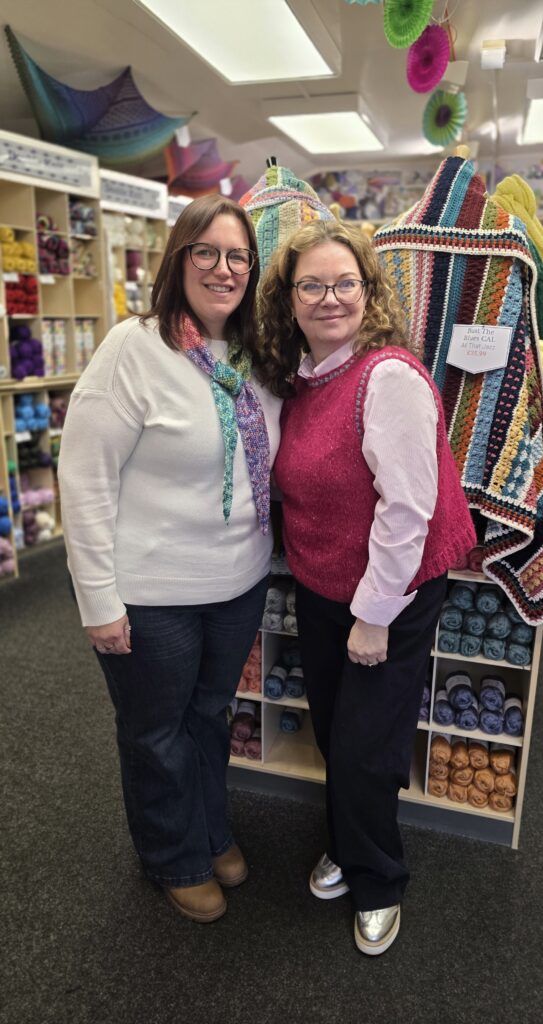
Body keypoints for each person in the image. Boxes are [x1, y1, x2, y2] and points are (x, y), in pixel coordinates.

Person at [58, 195, 281, 923]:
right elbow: (84, 477)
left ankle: (210, 831)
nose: (223, 269)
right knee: (155, 733)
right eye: (206, 253)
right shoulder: (133, 348)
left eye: (238, 255)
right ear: (179, 260)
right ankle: (171, 855)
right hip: (152, 593)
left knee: (209, 717)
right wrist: (98, 600)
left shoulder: (254, 355)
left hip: (237, 583)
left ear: (253, 268)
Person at [258, 219, 476, 956]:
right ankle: (349, 845)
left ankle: (377, 878)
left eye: (342, 283)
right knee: (334, 731)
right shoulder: (304, 381)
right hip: (324, 586)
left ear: (367, 291)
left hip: (391, 593)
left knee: (365, 746)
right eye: (310, 285)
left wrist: (375, 616)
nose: (327, 298)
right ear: (288, 300)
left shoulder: (384, 378)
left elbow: (408, 509)